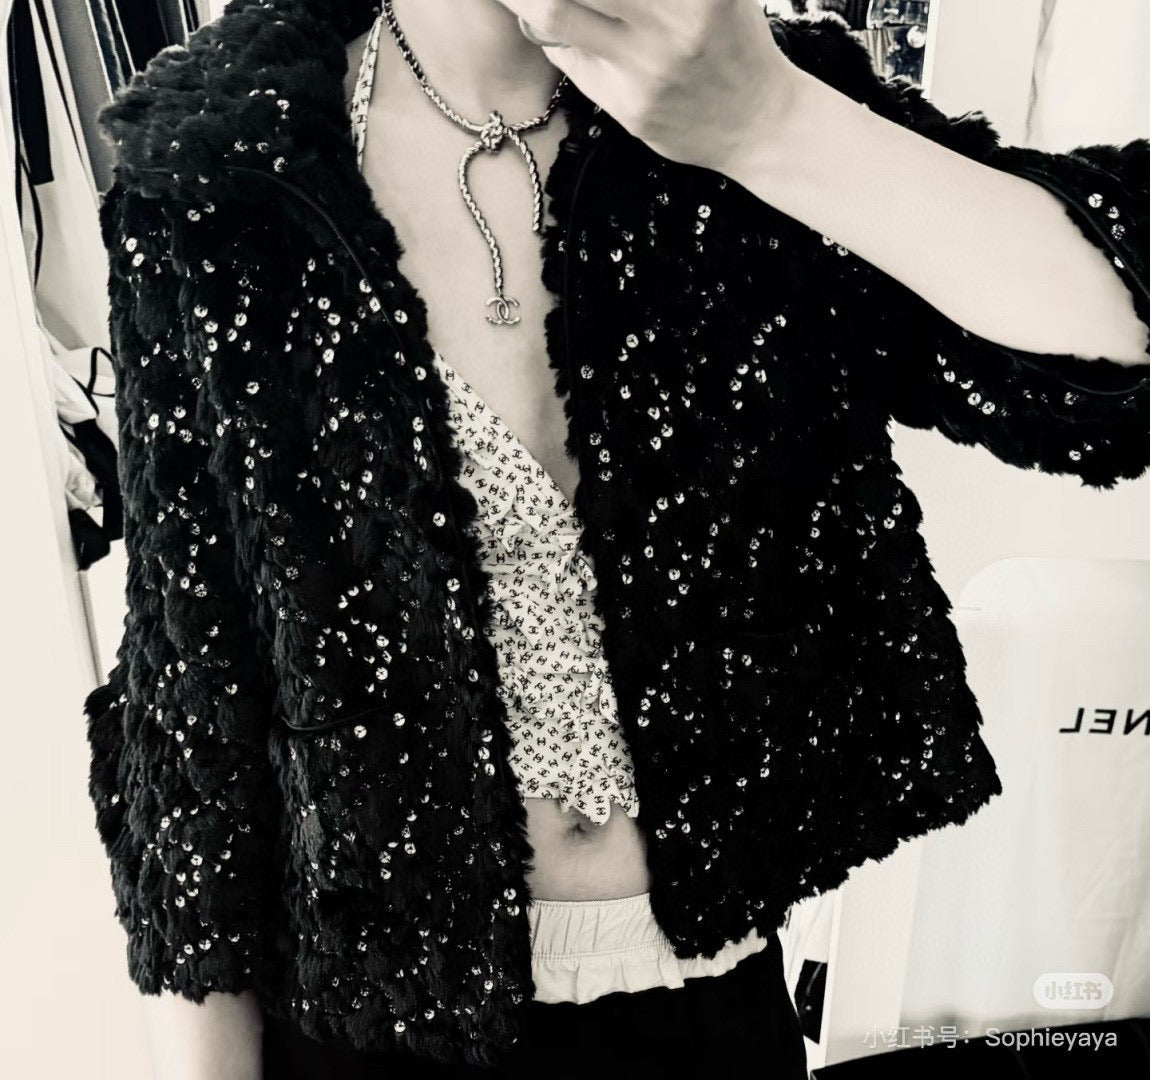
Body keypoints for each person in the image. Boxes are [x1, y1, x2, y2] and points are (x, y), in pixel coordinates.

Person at [81, 1, 1150, 1078]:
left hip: (706, 1001)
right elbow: (188, 702)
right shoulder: (219, 172)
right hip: (367, 1022)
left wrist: (770, 123)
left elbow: (1113, 376)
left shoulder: (758, 100)